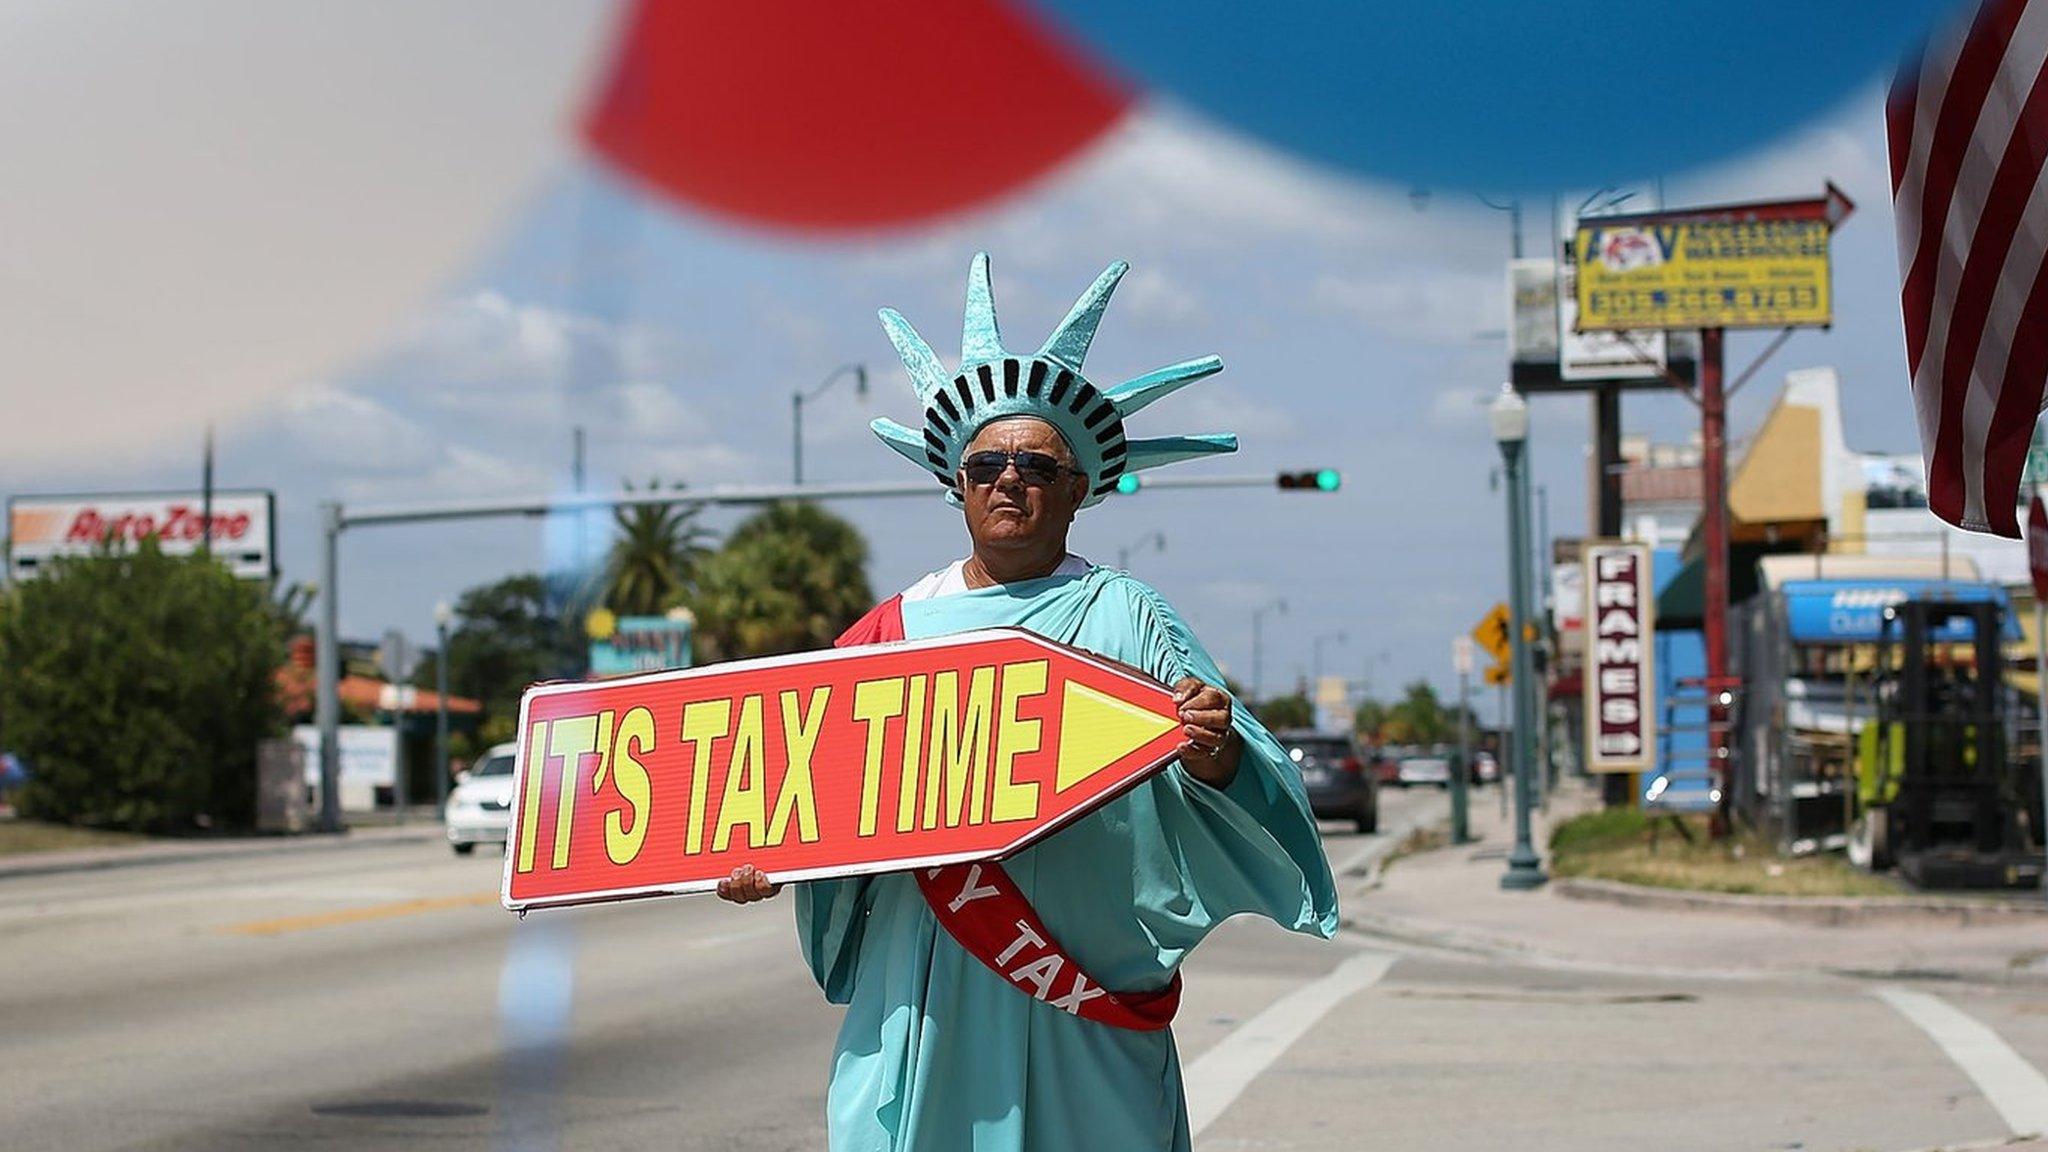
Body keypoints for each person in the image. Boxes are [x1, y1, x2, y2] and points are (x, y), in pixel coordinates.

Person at [718, 254, 1338, 1151]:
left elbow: (1242, 767)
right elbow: (807, 798)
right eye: (989, 464)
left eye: (1038, 467)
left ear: (1080, 490)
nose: (1011, 480)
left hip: (1081, 984)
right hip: (922, 988)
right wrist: (765, 857)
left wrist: (1214, 750)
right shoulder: (886, 633)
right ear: (957, 484)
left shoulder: (1129, 615)